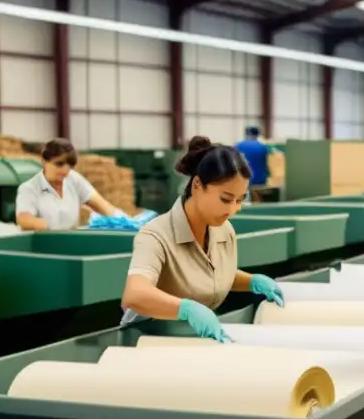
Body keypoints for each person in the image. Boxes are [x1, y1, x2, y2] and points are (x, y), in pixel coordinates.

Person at [120, 136, 285, 342]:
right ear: (197, 185)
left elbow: (210, 275)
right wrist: (185, 309)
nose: (233, 210)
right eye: (225, 199)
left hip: (192, 338)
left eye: (240, 200)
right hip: (150, 338)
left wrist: (252, 281)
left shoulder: (223, 230)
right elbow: (135, 295)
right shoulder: (156, 235)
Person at [15, 138, 124, 230]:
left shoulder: (74, 179)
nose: (65, 170)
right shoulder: (29, 189)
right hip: (43, 247)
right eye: (59, 164)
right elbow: (25, 220)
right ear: (44, 161)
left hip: (71, 244)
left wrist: (127, 222)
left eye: (70, 165)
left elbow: (104, 207)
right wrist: (57, 227)